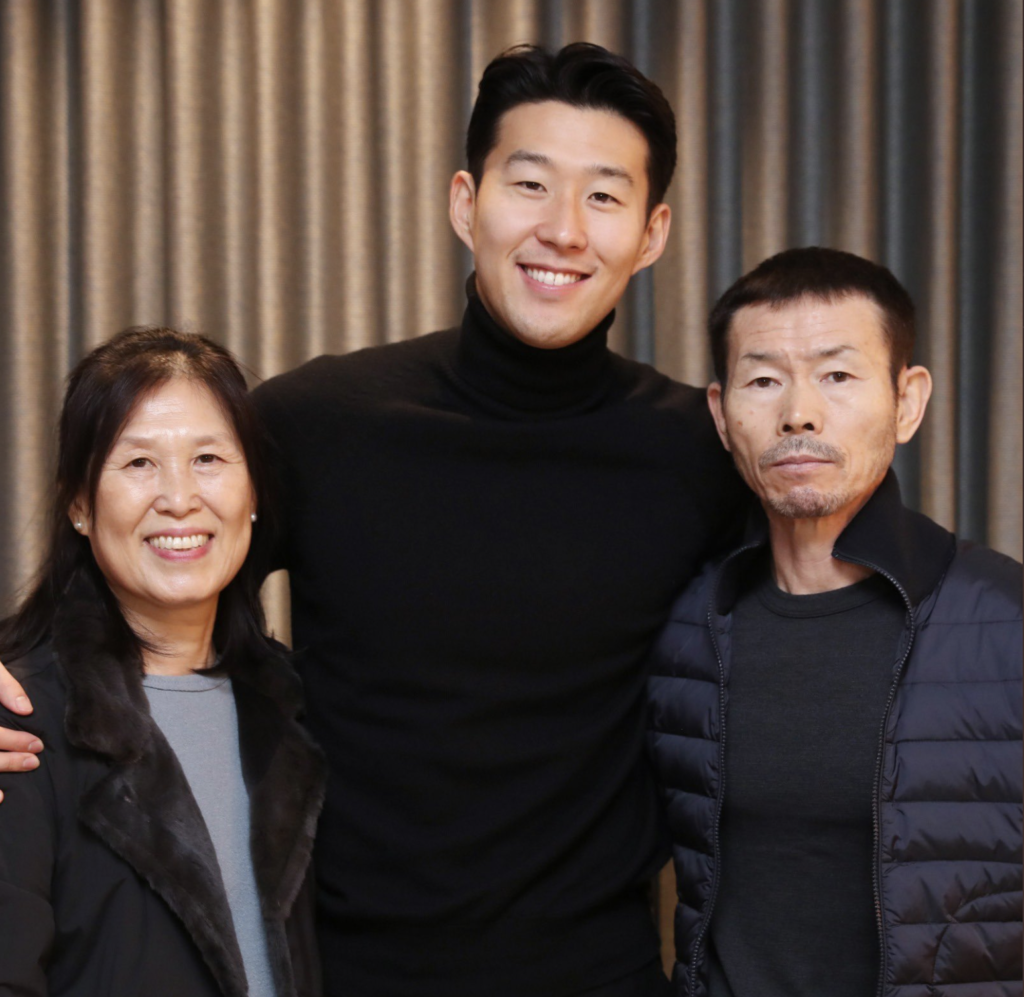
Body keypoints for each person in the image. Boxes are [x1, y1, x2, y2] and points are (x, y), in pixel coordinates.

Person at [0, 44, 743, 996]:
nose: (563, 229)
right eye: (530, 185)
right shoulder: (323, 420)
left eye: (604, 196)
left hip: (601, 974)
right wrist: (20, 683)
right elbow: (146, 571)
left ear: (652, 232)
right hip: (346, 972)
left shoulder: (695, 454)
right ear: (466, 204)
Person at [646, 247, 1023, 997]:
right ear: (722, 415)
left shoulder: (1007, 622)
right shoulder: (686, 627)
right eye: (763, 379)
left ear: (907, 400)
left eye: (838, 374)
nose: (799, 412)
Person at [0, 328, 327, 997]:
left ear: (256, 493)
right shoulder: (20, 721)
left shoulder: (299, 706)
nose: (179, 497)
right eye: (139, 462)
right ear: (80, 504)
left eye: (209, 457)